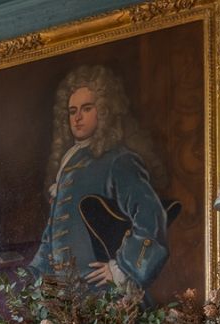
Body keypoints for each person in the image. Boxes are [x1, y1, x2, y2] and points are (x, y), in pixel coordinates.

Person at [29, 64, 170, 293]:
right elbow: (53, 236)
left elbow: (151, 218)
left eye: (86, 108)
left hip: (105, 299)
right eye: (72, 111)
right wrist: (33, 279)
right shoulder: (69, 163)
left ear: (104, 110)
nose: (77, 118)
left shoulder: (119, 161)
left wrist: (121, 268)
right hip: (67, 300)